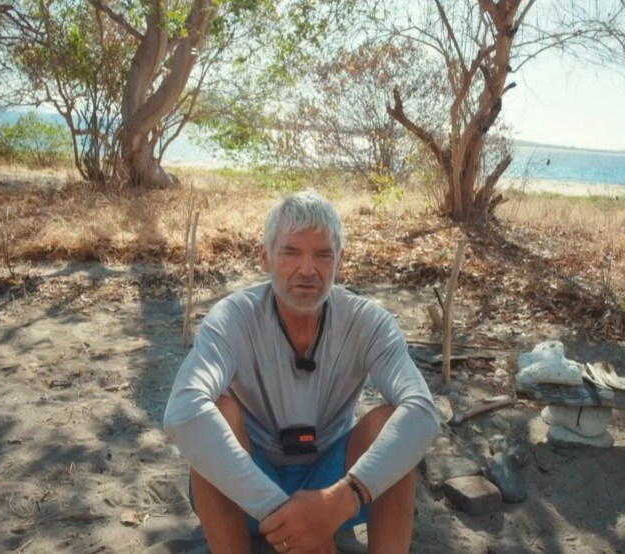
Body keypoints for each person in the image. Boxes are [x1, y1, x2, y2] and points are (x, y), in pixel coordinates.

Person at [162, 190, 439, 553]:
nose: (307, 270)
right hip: (246, 486)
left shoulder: (368, 321)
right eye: (291, 252)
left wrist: (338, 501)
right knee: (219, 412)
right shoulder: (233, 318)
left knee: (393, 424)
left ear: (340, 260)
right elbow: (182, 414)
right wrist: (290, 518)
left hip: (334, 484)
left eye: (322, 255)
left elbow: (423, 413)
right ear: (265, 257)